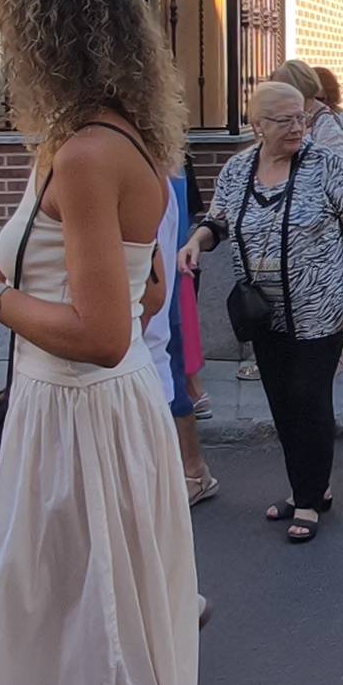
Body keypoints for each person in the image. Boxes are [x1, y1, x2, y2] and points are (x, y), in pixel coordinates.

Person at [0, 0, 198, 685]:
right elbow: (149, 288)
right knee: (59, 614)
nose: (6, 61)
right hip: (80, 410)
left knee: (79, 628)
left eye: (12, 44)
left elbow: (105, 336)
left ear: (48, 49)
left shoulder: (84, 154)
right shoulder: (108, 141)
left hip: (82, 414)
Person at [180, 82, 343, 542]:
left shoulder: (327, 165)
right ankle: (309, 486)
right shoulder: (238, 169)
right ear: (258, 126)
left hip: (321, 307)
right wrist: (195, 243)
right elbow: (218, 220)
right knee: (283, 403)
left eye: (300, 118)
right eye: (284, 120)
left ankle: (307, 502)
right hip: (264, 313)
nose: (296, 128)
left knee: (308, 397)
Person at [146, 157, 218, 507]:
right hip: (164, 289)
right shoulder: (161, 164)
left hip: (160, 292)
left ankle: (193, 471)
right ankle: (187, 471)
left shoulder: (157, 168)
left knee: (170, 378)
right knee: (170, 376)